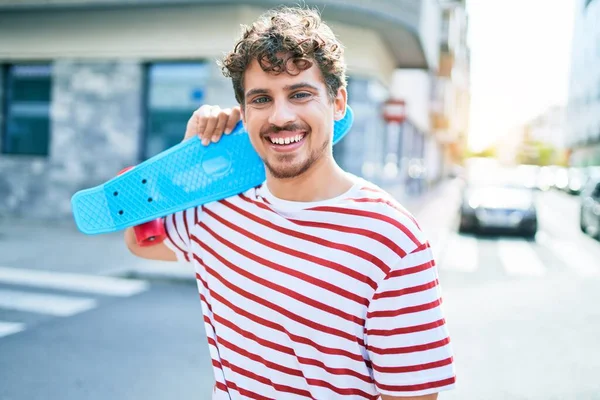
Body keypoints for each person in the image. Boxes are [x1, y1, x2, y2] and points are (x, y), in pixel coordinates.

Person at [125, 6, 456, 399]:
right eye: (261, 99)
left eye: (300, 94)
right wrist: (186, 161)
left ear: (337, 102)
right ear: (244, 113)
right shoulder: (216, 212)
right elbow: (140, 240)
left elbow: (414, 395)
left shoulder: (390, 239)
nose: (280, 116)